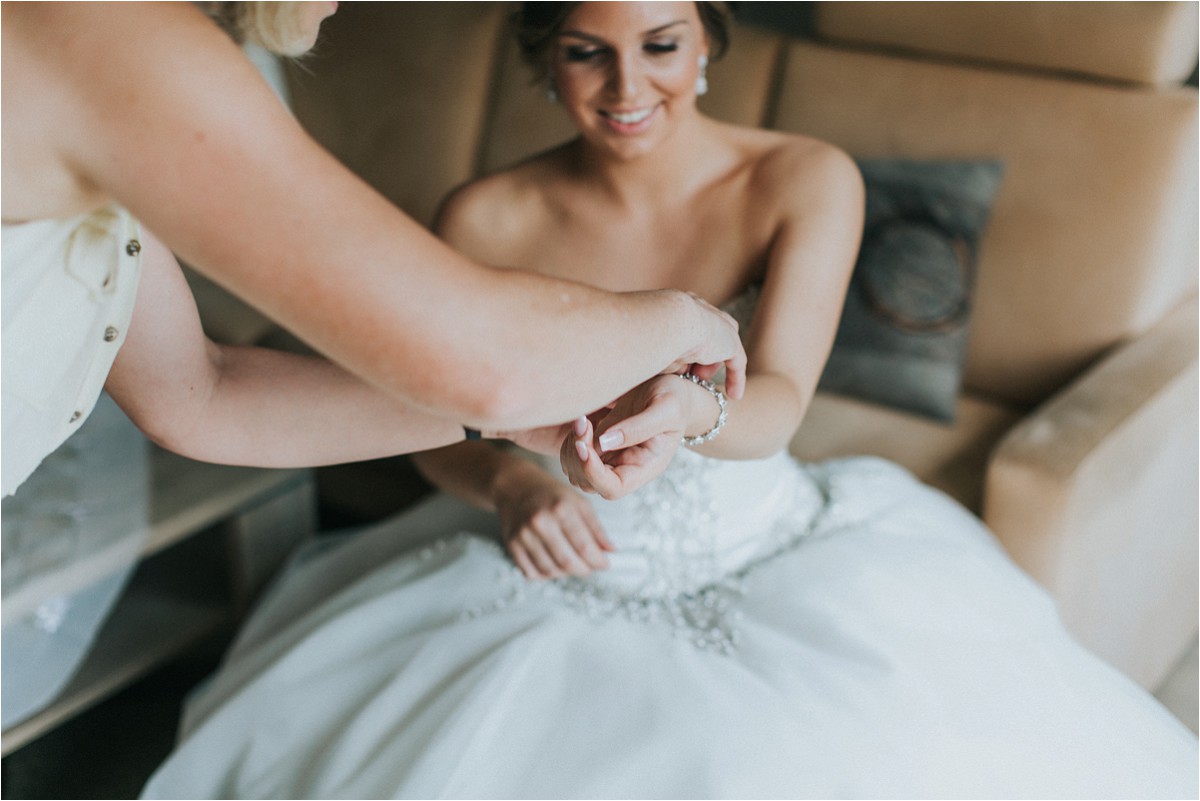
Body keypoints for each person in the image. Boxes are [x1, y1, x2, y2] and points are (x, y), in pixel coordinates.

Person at [141, 3, 1198, 798]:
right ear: (546, 67)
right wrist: (510, 486)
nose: (625, 86)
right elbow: (441, 417)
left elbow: (778, 400)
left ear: (706, 45)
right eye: (585, 51)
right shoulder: (487, 217)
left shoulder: (804, 180)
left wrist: (697, 413)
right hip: (550, 553)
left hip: (763, 537)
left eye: (659, 42)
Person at [0, 0, 747, 498]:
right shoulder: (123, 42)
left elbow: (199, 396)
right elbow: (494, 360)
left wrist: (506, 424)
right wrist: (690, 321)